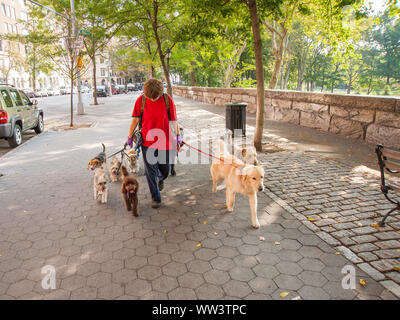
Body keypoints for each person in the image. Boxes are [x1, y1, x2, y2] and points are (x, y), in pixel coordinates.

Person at [126, 78, 181, 208]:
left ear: (161, 93)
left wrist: (178, 136)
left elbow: (174, 121)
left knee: (165, 170)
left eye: (155, 97)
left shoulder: (167, 100)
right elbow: (135, 120)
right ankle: (156, 198)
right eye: (150, 97)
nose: (153, 99)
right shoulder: (141, 101)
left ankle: (160, 179)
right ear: (145, 94)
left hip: (165, 141)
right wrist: (129, 136)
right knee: (151, 172)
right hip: (147, 142)